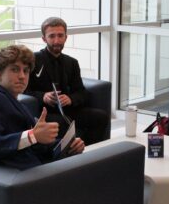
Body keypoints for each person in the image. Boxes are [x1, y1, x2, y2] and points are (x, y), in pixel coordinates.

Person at [0, 45, 85, 170]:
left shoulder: (17, 102)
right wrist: (32, 135)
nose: (22, 76)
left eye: (25, 71)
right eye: (15, 70)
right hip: (21, 177)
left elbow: (34, 144)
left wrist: (67, 146)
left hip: (36, 169)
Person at [25, 17, 109, 145]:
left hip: (68, 110)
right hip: (43, 112)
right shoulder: (33, 60)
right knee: (61, 124)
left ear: (66, 37)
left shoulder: (72, 63)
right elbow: (24, 90)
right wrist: (43, 96)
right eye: (52, 36)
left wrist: (70, 99)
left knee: (101, 117)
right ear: (44, 38)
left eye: (60, 36)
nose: (57, 40)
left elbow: (81, 92)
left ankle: (88, 152)